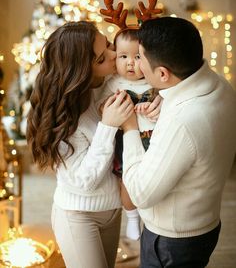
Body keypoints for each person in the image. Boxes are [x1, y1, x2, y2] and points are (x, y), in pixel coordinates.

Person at [111, 16, 236, 268]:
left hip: (171, 241)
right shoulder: (221, 87)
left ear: (163, 74)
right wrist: (163, 101)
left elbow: (140, 193)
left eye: (141, 57)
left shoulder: (182, 121)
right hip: (205, 221)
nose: (137, 65)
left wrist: (129, 128)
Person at [26, 21, 134, 268]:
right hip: (78, 216)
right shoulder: (63, 115)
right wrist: (107, 126)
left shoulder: (111, 81)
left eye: (107, 44)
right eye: (101, 58)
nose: (114, 54)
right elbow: (84, 181)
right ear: (81, 70)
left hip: (113, 210)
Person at [97, 27, 161, 240]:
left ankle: (151, 217)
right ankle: (132, 217)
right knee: (128, 180)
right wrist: (112, 104)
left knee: (154, 179)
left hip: (153, 138)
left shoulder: (154, 83)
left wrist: (153, 108)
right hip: (126, 141)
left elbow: (166, 106)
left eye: (137, 57)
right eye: (123, 56)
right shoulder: (112, 83)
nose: (130, 63)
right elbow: (101, 108)